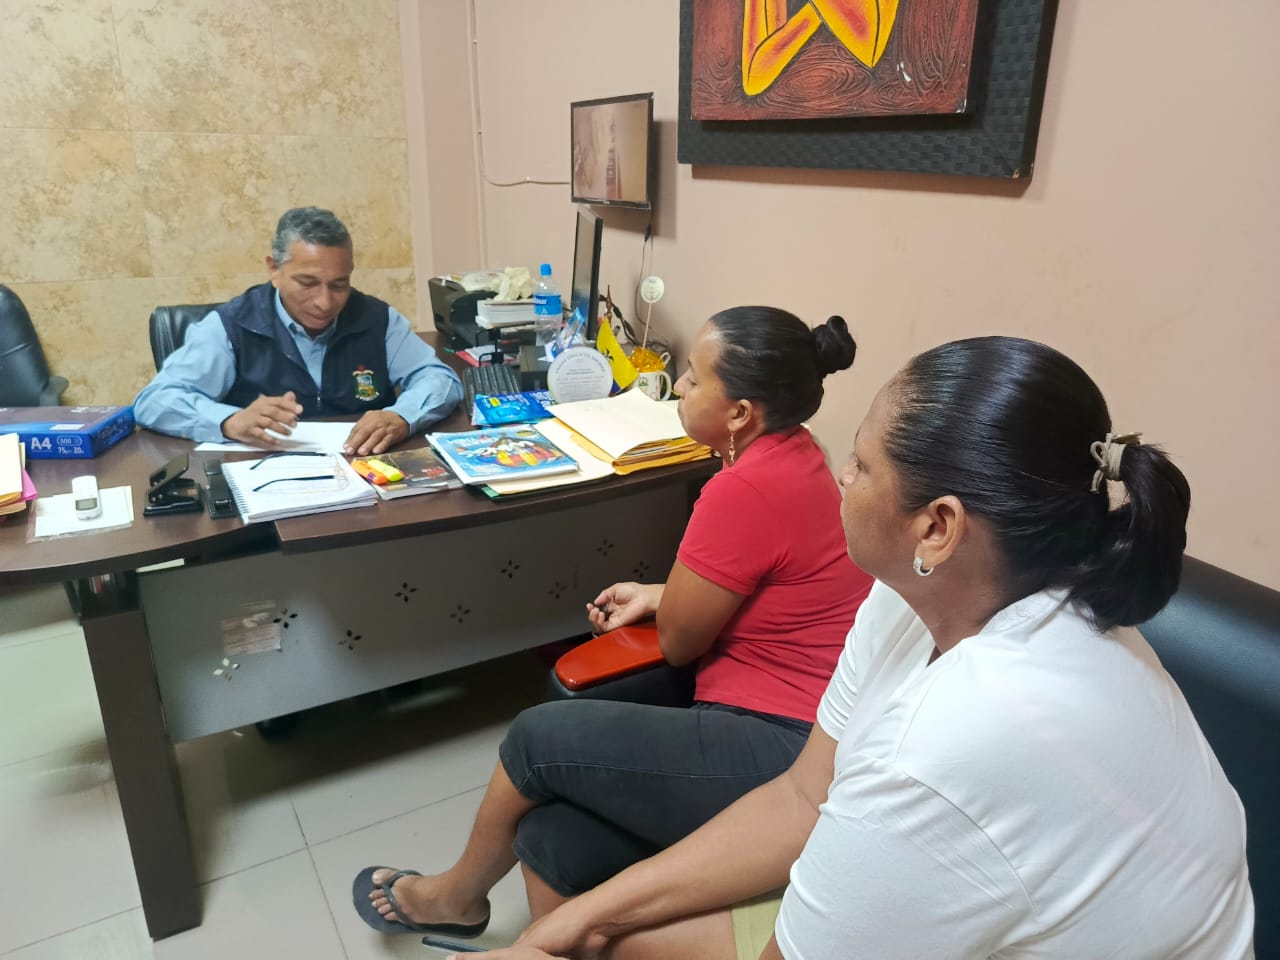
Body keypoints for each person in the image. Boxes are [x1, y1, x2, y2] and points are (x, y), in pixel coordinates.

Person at [482, 336, 1255, 960]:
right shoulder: (918, 596)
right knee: (576, 889)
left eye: (861, 464)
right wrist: (575, 922)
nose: (841, 478)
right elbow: (802, 798)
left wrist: (579, 940)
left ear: (938, 526)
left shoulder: (950, 744)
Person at [352, 306, 874, 938]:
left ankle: (456, 897)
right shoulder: (800, 453)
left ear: (739, 413)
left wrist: (669, 605)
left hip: (781, 745)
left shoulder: (743, 490)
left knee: (535, 738)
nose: (679, 388)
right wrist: (662, 593)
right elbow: (763, 582)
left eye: (693, 377)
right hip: (814, 726)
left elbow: (679, 645)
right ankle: (548, 937)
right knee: (550, 835)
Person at [133, 206, 461, 457]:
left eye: (339, 285)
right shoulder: (232, 325)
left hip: (366, 474)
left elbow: (439, 378)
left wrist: (402, 416)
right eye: (307, 283)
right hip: (264, 479)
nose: (324, 302)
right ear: (274, 270)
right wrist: (228, 421)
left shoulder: (376, 318)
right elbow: (154, 401)